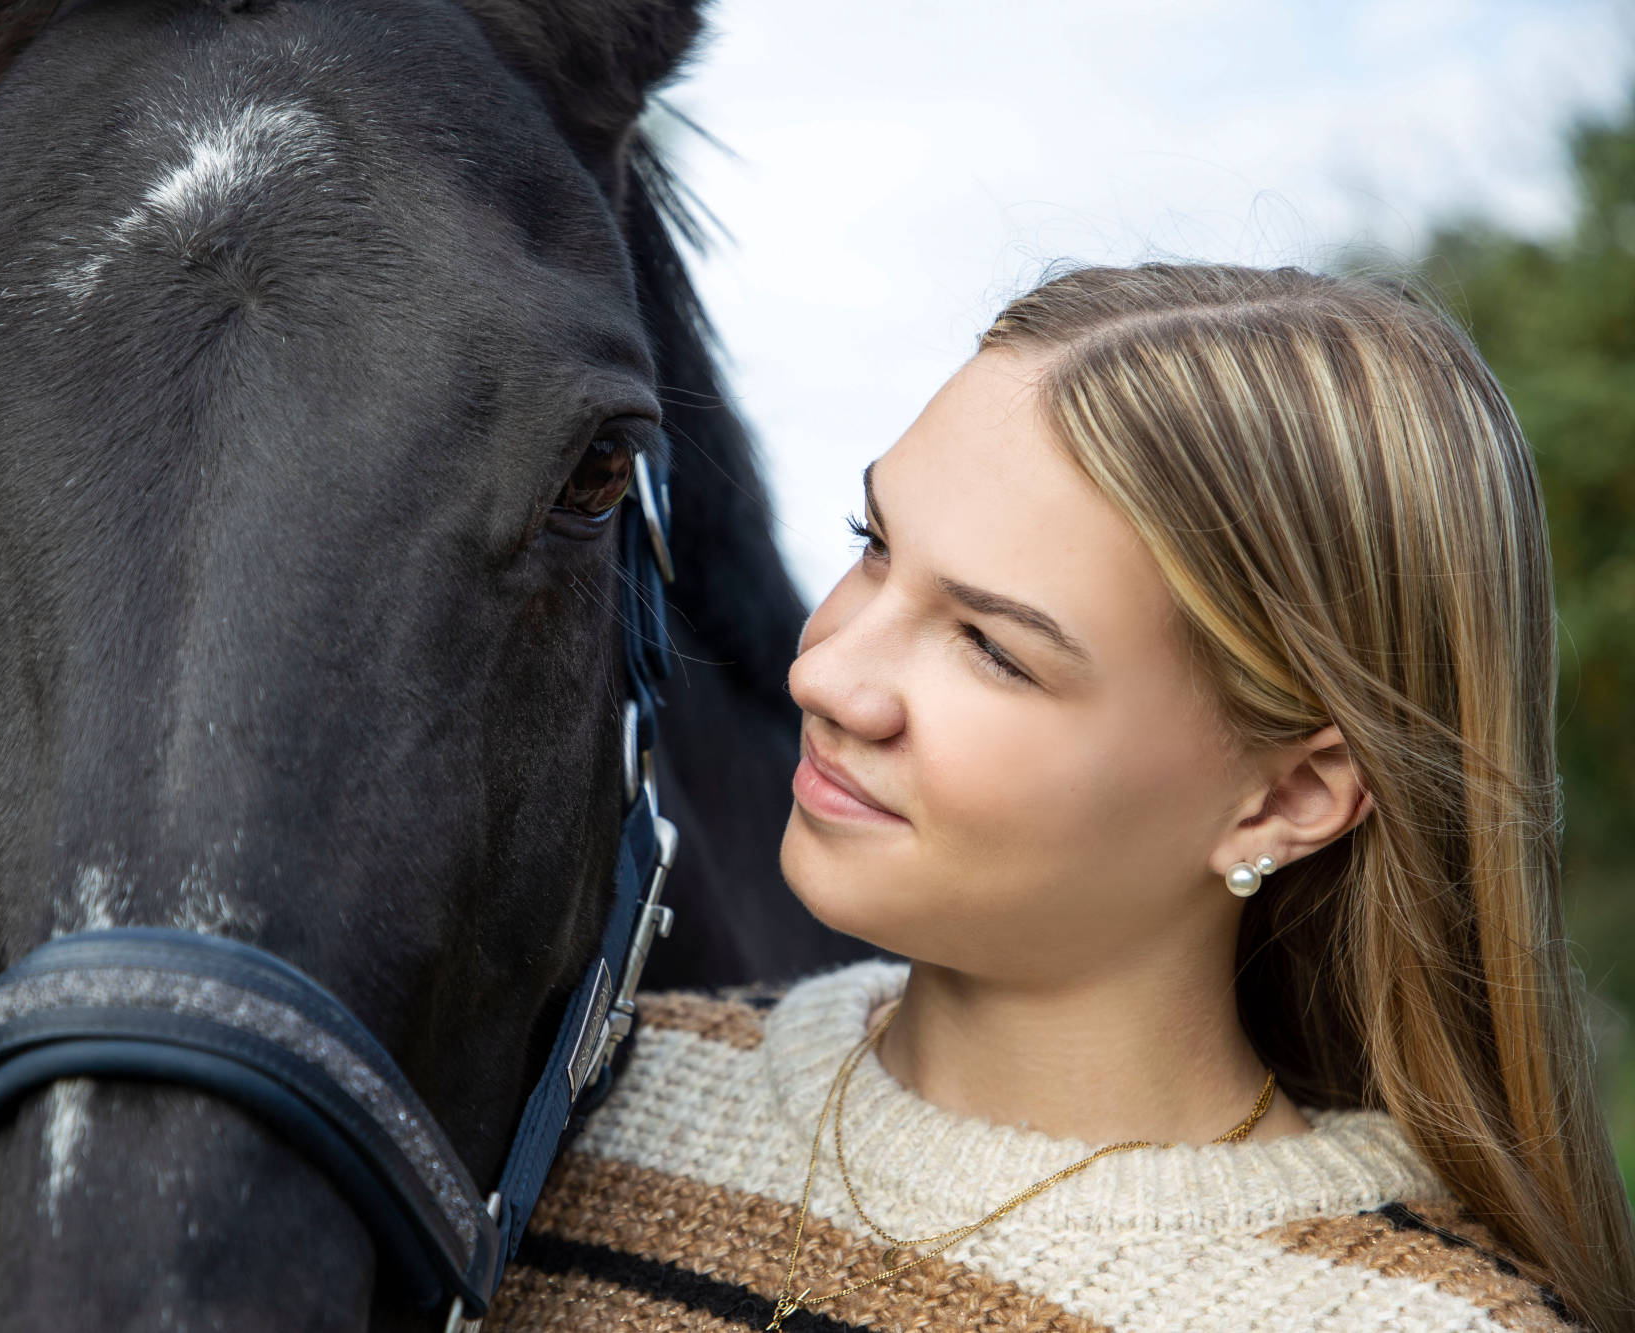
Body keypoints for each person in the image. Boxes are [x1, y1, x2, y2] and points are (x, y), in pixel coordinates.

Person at [483, 263, 1635, 1333]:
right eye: (870, 543)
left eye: (990, 648)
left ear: (1286, 797)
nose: (822, 676)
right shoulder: (567, 1112)